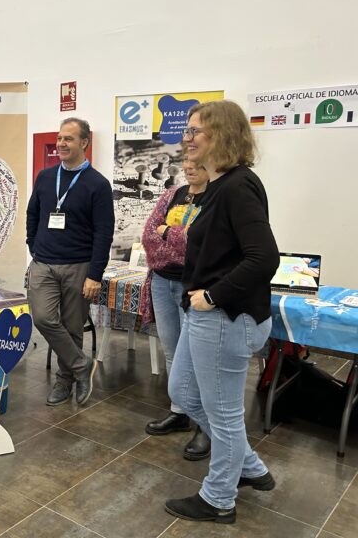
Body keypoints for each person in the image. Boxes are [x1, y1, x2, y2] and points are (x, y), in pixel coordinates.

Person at [164, 101, 279, 524]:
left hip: (227, 318)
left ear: (223, 136)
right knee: (184, 394)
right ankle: (249, 467)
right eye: (187, 131)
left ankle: (218, 499)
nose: (187, 138)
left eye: (196, 131)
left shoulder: (237, 186)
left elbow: (264, 258)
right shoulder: (220, 186)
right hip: (209, 316)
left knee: (224, 414)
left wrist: (212, 296)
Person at [26, 117, 114, 406]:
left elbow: (104, 233)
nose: (61, 144)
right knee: (42, 317)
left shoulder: (98, 185)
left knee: (72, 326)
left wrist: (95, 275)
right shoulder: (45, 177)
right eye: (60, 138)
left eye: (69, 139)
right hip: (44, 262)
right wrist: (33, 245)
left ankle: (66, 380)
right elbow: (33, 214)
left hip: (79, 265)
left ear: (84, 143)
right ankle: (81, 366)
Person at [141, 159, 211, 460]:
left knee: (199, 356)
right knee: (172, 351)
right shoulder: (172, 195)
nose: (189, 166)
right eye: (186, 161)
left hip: (193, 287)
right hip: (161, 281)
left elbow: (204, 245)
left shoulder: (217, 198)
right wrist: (178, 240)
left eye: (198, 162)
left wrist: (168, 233)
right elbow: (148, 236)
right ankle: (180, 412)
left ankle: (207, 426)